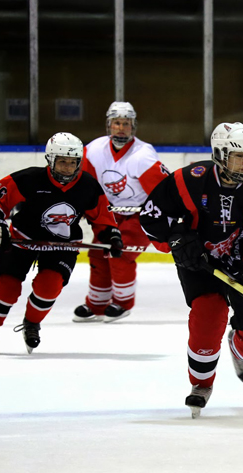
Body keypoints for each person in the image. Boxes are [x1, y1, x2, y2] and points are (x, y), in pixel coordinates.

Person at [139, 122, 243, 418]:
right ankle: (201, 383)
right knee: (208, 314)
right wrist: (177, 238)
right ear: (220, 155)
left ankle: (237, 342)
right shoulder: (189, 180)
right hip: (201, 264)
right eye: (239, 156)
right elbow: (151, 217)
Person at [0, 133, 122, 355]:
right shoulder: (29, 179)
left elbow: (102, 218)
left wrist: (112, 237)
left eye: (72, 162)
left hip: (62, 244)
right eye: (62, 161)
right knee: (6, 288)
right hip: (23, 237)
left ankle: (31, 324)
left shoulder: (88, 186)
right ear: (50, 159)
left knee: (49, 286)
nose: (68, 168)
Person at [73, 102, 169, 323]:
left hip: (139, 216)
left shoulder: (142, 155)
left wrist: (168, 219)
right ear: (109, 125)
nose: (121, 128)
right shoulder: (95, 149)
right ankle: (96, 304)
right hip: (108, 216)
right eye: (117, 122)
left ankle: (122, 303)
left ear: (133, 126)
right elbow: (83, 183)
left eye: (126, 123)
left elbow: (163, 190)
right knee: (98, 253)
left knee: (120, 252)